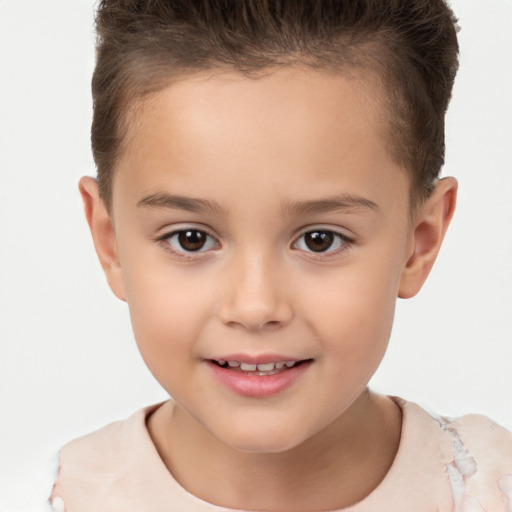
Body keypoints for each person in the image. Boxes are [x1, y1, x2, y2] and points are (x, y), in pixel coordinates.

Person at [48, 0, 512, 510]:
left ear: (418, 242)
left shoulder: (491, 489)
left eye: (320, 239)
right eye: (191, 239)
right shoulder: (46, 496)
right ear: (110, 242)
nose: (254, 307)